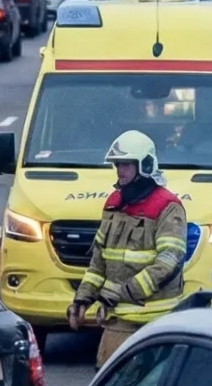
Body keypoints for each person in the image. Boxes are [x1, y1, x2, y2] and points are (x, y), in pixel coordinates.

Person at [68, 130, 189, 363]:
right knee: (107, 377)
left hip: (154, 321)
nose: (119, 170)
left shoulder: (167, 207)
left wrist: (123, 292)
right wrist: (83, 298)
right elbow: (99, 261)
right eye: (117, 164)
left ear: (145, 165)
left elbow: (169, 262)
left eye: (126, 164)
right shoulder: (114, 203)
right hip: (117, 319)